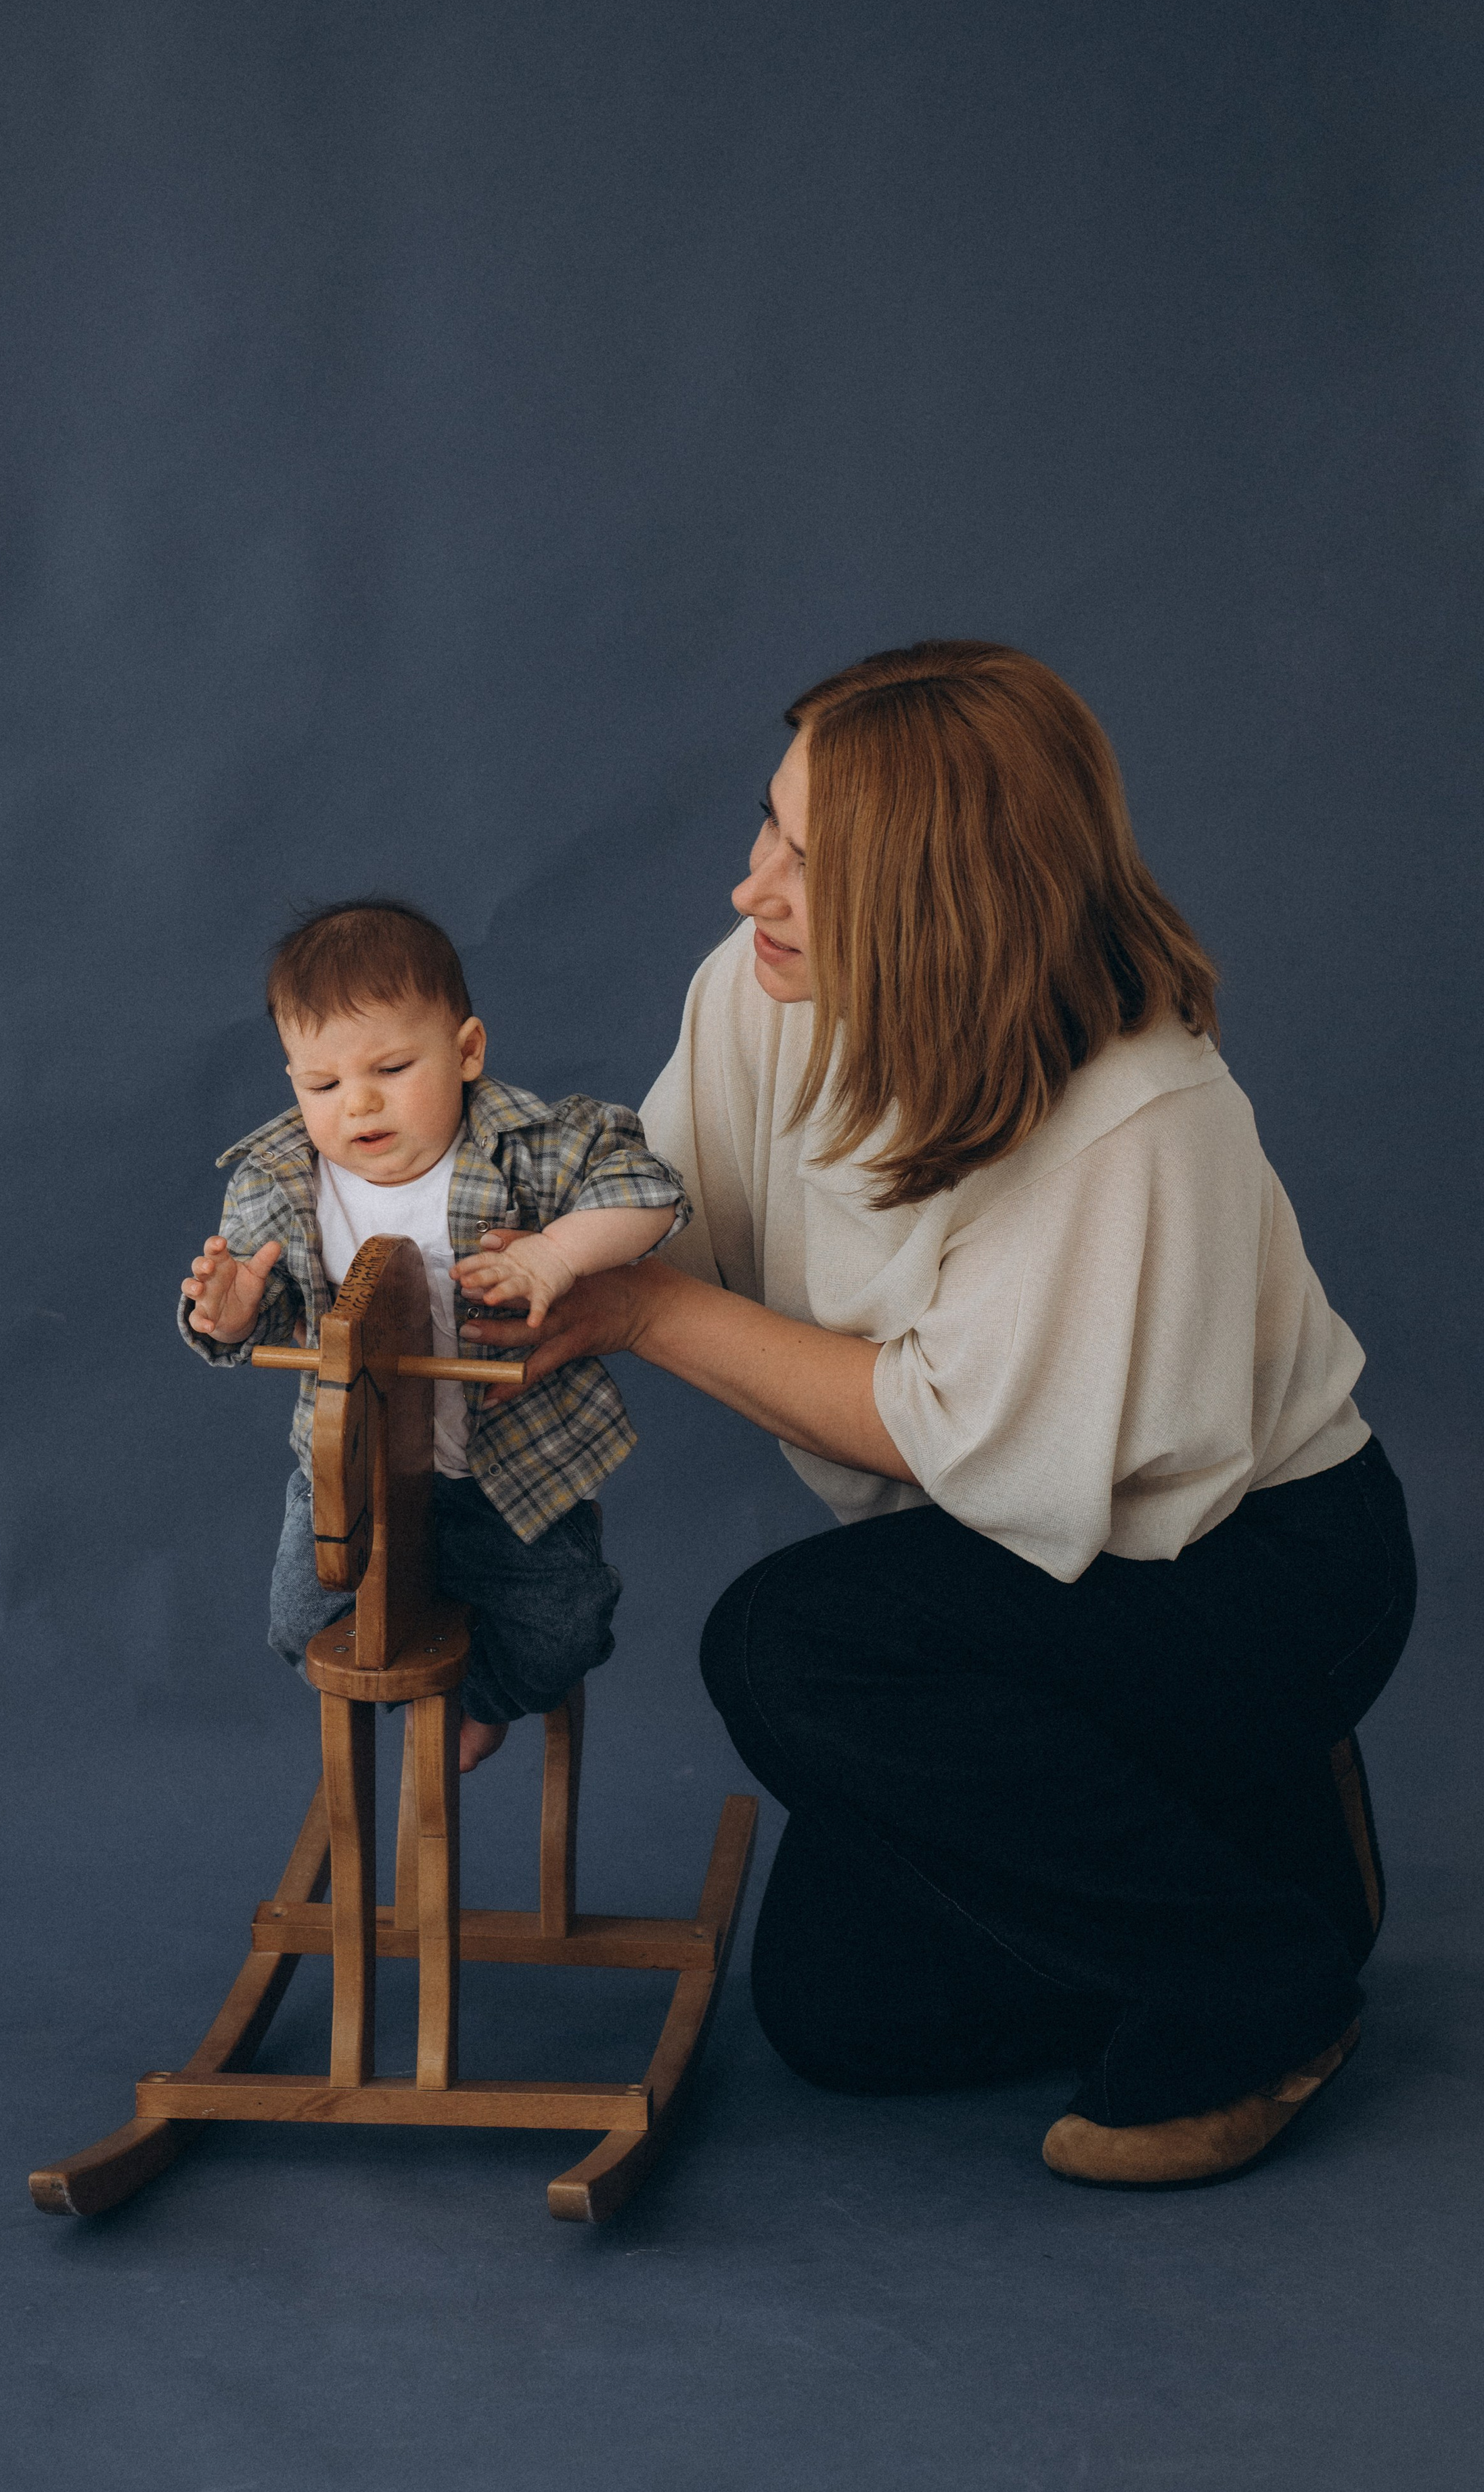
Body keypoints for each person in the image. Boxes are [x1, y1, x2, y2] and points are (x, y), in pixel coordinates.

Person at [464, 642, 1416, 2186]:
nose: (748, 889)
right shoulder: (761, 993)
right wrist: (443, 1264)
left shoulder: (1136, 1109)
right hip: (1021, 1554)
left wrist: (639, 1313)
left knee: (790, 1641)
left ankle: (1264, 1981)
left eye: (810, 862)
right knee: (847, 2021)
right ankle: (1251, 1833)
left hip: (1250, 1570)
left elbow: (943, 1432)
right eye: (764, 826)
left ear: (947, 893)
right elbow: (651, 1219)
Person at [179, 898, 689, 1773]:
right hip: (356, 1473)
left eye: (391, 1066)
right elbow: (261, 1323)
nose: (359, 1104)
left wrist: (556, 1257)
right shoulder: (281, 1182)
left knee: (566, 1626)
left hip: (510, 1471)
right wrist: (227, 1314)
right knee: (301, 1629)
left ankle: (480, 1701)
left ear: (466, 1052)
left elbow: (652, 1191)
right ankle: (422, 1694)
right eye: (323, 1085)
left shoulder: (526, 1147)